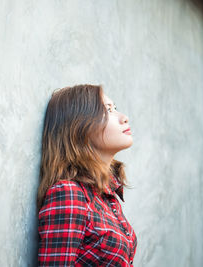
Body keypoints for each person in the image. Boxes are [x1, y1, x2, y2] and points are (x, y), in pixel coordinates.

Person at [37, 84, 137, 266]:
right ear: (80, 127)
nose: (124, 118)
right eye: (108, 110)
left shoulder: (105, 192)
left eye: (115, 108)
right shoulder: (68, 193)